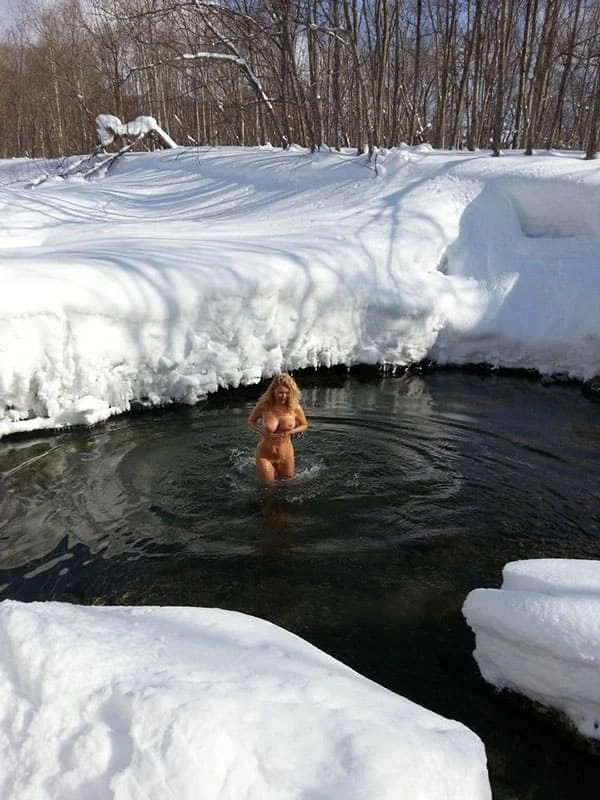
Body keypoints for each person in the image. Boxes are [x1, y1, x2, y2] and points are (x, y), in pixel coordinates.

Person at [247, 373, 308, 485]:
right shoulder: (264, 406)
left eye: (287, 393)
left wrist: (291, 431)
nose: (283, 396)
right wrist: (262, 431)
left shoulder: (295, 408)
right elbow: (251, 421)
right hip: (265, 454)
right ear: (273, 391)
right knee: (268, 487)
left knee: (288, 487)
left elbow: (304, 425)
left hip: (286, 456)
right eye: (280, 393)